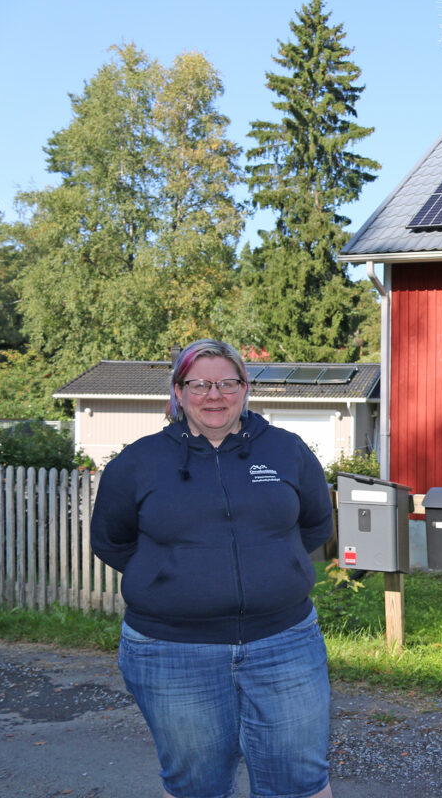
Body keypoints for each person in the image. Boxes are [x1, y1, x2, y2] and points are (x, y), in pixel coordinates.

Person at [91, 339, 335, 798]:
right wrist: (170, 576)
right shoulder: (138, 462)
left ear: (245, 388)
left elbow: (316, 525)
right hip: (172, 653)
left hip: (283, 644)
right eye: (199, 384)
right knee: (196, 786)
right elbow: (112, 540)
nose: (214, 395)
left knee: (299, 781)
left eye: (227, 383)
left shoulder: (287, 451)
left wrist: (270, 568)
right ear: (178, 392)